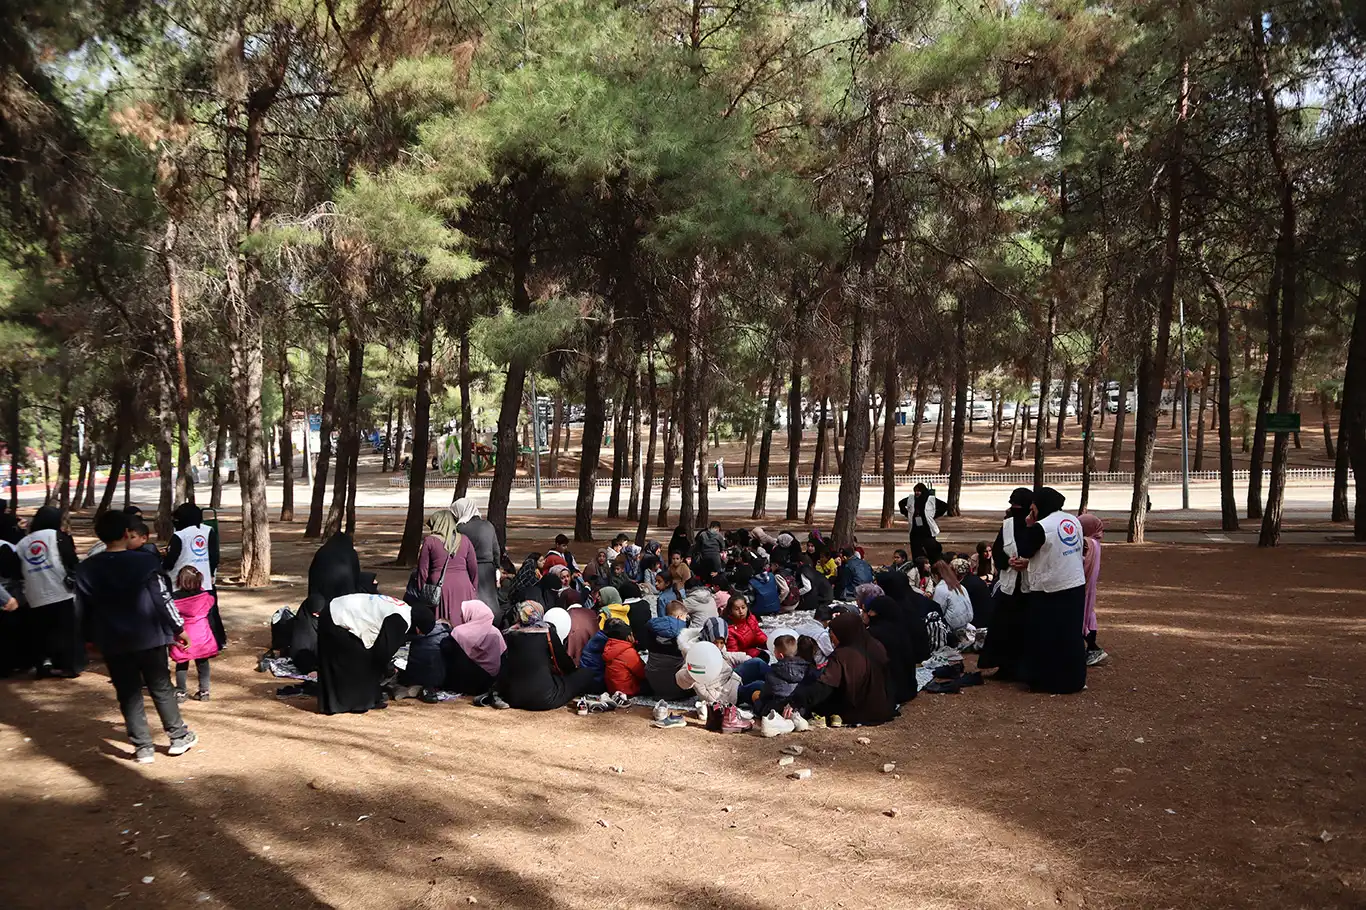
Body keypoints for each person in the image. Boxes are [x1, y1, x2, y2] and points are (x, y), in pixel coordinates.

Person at [75, 511, 197, 763]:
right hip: (149, 637)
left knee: (127, 691)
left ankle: (143, 748)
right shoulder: (144, 563)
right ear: (126, 534)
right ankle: (177, 737)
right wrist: (178, 627)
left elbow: (81, 608)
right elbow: (163, 599)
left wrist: (87, 640)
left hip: (112, 641)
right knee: (161, 686)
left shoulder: (87, 568)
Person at [1012, 486, 1087, 694]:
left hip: (1050, 589)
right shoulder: (1072, 520)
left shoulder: (1041, 527)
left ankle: (1045, 680)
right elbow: (1058, 551)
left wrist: (1028, 525)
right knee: (1070, 636)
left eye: (1033, 508)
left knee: (1045, 636)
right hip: (1074, 583)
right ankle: (1074, 678)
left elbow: (1025, 549)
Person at [2, 506, 82, 677]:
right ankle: (67, 666)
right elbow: (71, 560)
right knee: (66, 630)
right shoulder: (59, 536)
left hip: (34, 593)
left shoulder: (23, 542)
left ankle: (43, 665)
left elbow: (16, 571)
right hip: (61, 590)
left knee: (41, 632)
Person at [317, 591, 414, 715]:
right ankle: (353, 703)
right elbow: (383, 651)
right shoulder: (401, 619)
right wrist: (387, 669)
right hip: (337, 617)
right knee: (357, 661)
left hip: (337, 610)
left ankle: (362, 700)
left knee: (359, 659)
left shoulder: (405, 609)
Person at [791, 612, 895, 727]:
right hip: (883, 707)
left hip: (858, 712)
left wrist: (796, 700)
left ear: (843, 633)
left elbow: (824, 687)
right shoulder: (876, 645)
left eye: (833, 635)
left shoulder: (842, 655)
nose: (832, 639)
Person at [498, 601, 599, 711]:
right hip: (543, 697)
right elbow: (563, 661)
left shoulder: (511, 633)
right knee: (587, 674)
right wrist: (573, 674)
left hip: (513, 697)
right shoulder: (546, 632)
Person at [978, 488, 1033, 681]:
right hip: (1009, 587)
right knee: (1004, 628)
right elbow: (999, 549)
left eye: (1019, 506)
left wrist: (1027, 563)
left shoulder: (1036, 525)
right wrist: (1007, 561)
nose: (1015, 509)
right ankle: (1005, 666)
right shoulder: (1008, 525)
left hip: (1029, 589)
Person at [292, 533, 365, 675]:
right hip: (344, 603)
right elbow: (355, 580)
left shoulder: (321, 553)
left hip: (319, 602)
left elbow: (313, 579)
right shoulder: (350, 554)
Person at [862, 595, 927, 706]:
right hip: (908, 688)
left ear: (874, 613)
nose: (864, 614)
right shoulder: (900, 628)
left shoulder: (874, 634)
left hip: (889, 693)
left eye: (867, 611)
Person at [416, 509, 478, 625]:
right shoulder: (464, 540)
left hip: (440, 587)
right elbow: (473, 568)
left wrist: (422, 591)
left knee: (444, 624)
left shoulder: (430, 541)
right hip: (464, 586)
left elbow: (422, 571)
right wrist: (473, 588)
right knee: (464, 622)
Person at [169, 566, 219, 702]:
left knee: (182, 663)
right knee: (203, 663)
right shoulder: (206, 597)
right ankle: (204, 691)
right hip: (202, 635)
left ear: (179, 580)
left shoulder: (174, 599)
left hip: (183, 636)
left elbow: (170, 618)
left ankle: (181, 692)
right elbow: (211, 617)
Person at [451, 497, 502, 623]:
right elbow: (496, 550)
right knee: (490, 597)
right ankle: (494, 621)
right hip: (488, 568)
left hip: (469, 567)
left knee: (474, 596)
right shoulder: (488, 525)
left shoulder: (461, 529)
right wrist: (496, 566)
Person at [441, 599, 506, 695]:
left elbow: (445, 648)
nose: (461, 617)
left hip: (460, 684)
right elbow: (503, 656)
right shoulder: (496, 633)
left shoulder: (459, 633)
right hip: (487, 684)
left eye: (463, 614)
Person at [163, 503, 219, 591]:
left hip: (180, 584)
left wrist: (163, 566)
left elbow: (171, 560)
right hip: (204, 582)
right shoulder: (208, 531)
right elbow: (214, 556)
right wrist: (211, 573)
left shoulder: (180, 535)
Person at [1080, 513, 1109, 667]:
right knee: (1088, 614)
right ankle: (1092, 648)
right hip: (1089, 584)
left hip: (1084, 584)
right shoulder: (1096, 542)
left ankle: (1093, 648)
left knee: (1083, 614)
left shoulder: (1088, 543)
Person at [601, 618, 647, 697]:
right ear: (628, 637)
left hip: (612, 688)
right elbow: (642, 673)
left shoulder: (609, 646)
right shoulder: (628, 652)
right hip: (627, 690)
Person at [901, 483, 944, 562]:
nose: (917, 493)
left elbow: (944, 506)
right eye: (915, 491)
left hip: (927, 530)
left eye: (919, 491)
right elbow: (901, 503)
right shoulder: (911, 498)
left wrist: (934, 515)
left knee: (930, 549)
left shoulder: (931, 499)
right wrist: (907, 513)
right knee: (916, 550)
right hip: (915, 531)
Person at [931, 559, 973, 636]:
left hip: (952, 628)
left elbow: (937, 611)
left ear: (935, 576)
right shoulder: (959, 585)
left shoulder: (940, 588)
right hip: (966, 622)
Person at [723, 593, 767, 659]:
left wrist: (767, 643)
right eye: (737, 609)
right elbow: (733, 653)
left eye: (743, 607)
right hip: (741, 656)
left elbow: (758, 634)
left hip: (751, 649)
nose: (741, 611)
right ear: (731, 611)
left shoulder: (751, 618)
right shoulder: (729, 629)